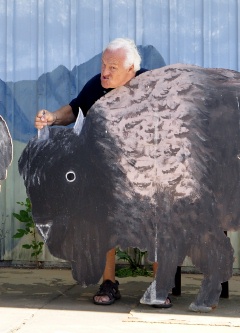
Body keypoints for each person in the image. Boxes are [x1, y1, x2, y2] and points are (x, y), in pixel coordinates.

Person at [34, 38, 171, 308]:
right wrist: (51, 117)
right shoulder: (97, 85)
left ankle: (160, 284)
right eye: (103, 65)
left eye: (113, 67)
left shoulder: (152, 88)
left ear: (131, 70)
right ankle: (109, 282)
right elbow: (74, 110)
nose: (105, 73)